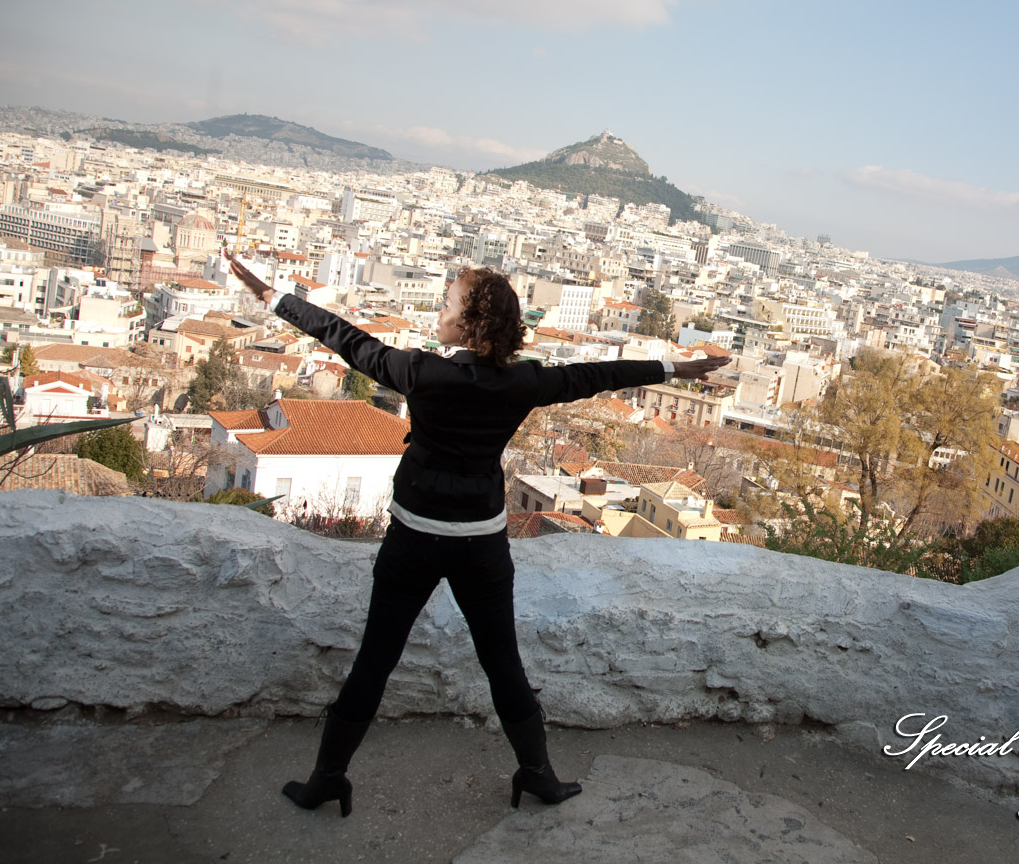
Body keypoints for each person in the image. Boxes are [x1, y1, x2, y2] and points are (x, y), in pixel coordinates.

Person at [226, 253, 728, 816]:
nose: (439, 310)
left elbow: (343, 337)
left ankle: (328, 778)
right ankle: (537, 773)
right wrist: (674, 370)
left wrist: (274, 298)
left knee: (374, 661)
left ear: (470, 324)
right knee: (502, 662)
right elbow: (596, 375)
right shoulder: (523, 383)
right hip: (482, 544)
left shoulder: (420, 372)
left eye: (447, 304)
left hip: (412, 539)